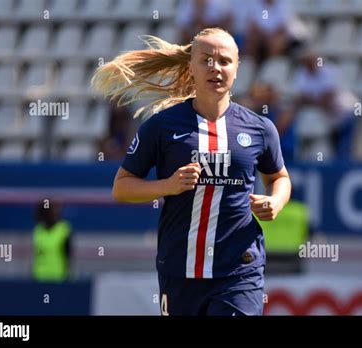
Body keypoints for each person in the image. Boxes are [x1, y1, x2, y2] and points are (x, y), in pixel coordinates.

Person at [92, 27, 291, 316]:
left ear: (237, 69)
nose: (216, 68)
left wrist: (275, 201)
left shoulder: (259, 128)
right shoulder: (161, 127)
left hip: (239, 269)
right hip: (180, 270)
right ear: (191, 67)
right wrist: (168, 185)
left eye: (225, 61)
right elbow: (122, 187)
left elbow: (279, 178)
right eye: (206, 60)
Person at [32, 200, 71, 282]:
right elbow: (36, 254)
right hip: (39, 275)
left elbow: (68, 254)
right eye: (54, 210)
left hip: (59, 276)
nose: (57, 212)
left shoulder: (64, 229)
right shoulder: (37, 230)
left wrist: (67, 274)